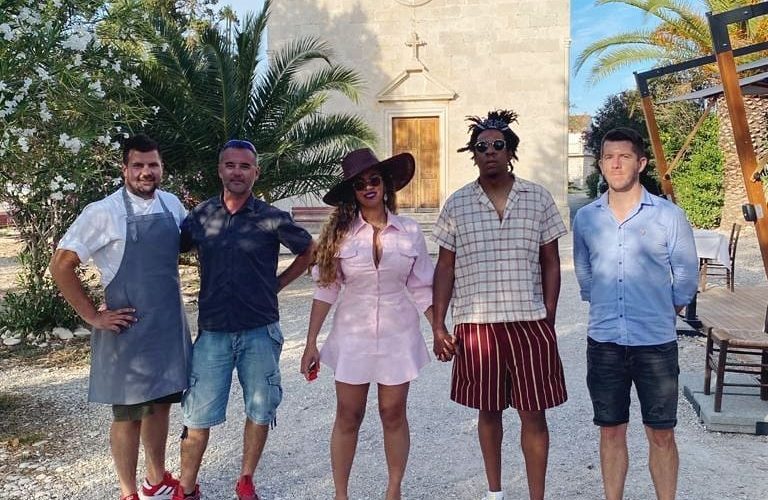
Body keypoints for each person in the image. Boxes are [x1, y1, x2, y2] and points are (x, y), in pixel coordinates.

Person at [431, 110, 568, 500]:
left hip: (529, 322)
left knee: (534, 413)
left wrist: (549, 315)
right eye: (481, 146)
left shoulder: (537, 197)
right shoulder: (457, 204)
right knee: (488, 412)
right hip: (477, 326)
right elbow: (445, 267)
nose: (489, 151)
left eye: (497, 145)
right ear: (473, 154)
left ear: (510, 151)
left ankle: (537, 495)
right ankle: (495, 492)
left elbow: (551, 261)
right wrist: (439, 325)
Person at [50, 134, 191, 500]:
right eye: (138, 165)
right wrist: (93, 317)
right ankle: (128, 492)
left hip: (167, 327)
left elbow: (195, 245)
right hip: (128, 331)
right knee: (128, 416)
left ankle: (155, 479)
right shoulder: (103, 212)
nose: (146, 172)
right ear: (124, 168)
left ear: (162, 167)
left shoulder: (172, 204)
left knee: (160, 406)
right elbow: (61, 265)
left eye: (153, 165)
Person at [173, 139, 315, 500]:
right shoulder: (200, 216)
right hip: (213, 332)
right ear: (220, 169)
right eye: (230, 165)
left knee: (260, 408)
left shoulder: (272, 217)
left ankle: (246, 480)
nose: (237, 172)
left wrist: (277, 284)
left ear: (256, 172)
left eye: (245, 166)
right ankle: (186, 487)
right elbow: (171, 250)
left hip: (259, 330)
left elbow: (309, 250)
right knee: (197, 414)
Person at [299, 148, 441, 500]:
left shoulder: (409, 231)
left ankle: (394, 490)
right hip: (352, 335)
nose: (368, 187)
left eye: (374, 179)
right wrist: (311, 342)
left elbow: (421, 287)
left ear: (385, 183)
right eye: (360, 183)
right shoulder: (340, 234)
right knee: (349, 414)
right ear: (353, 191)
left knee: (392, 413)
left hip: (398, 333)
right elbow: (326, 288)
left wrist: (439, 328)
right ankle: (341, 494)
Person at [572, 127, 698, 500]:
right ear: (600, 164)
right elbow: (584, 272)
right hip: (605, 342)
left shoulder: (668, 216)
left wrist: (661, 311)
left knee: (661, 433)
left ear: (640, 163)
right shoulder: (586, 219)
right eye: (608, 157)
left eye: (624, 156)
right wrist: (605, 303)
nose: (616, 164)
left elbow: (686, 276)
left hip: (655, 344)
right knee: (611, 430)